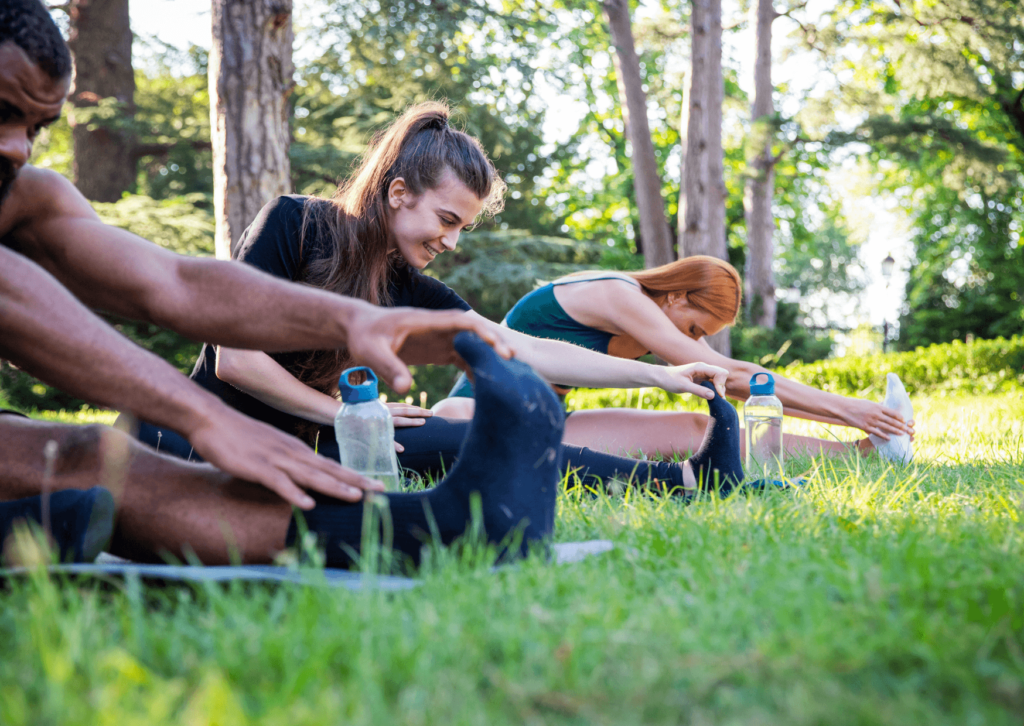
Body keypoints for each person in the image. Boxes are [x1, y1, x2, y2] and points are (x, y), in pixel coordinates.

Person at [0, 0, 557, 568]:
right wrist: (203, 416)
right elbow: (14, 296)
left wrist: (352, 320)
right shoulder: (297, 221)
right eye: (4, 114)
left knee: (89, 456)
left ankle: (437, 532)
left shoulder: (26, 194)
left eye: (37, 128)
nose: (19, 147)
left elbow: (174, 283)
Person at [140, 101, 751, 499]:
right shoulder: (294, 223)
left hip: (324, 444)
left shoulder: (406, 283)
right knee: (443, 440)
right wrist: (354, 417)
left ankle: (691, 481)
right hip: (209, 440)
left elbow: (522, 347)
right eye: (447, 219)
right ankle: (690, 481)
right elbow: (236, 362)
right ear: (399, 192)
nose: (452, 241)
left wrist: (663, 375)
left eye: (464, 227)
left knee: (475, 440)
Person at [433, 257, 916, 460]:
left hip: (545, 421)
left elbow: (740, 385)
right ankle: (868, 429)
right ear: (677, 295)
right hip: (476, 415)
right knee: (452, 415)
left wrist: (860, 424)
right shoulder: (617, 295)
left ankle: (868, 452)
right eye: (694, 330)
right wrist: (851, 407)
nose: (693, 342)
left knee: (700, 430)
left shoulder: (658, 318)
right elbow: (738, 373)